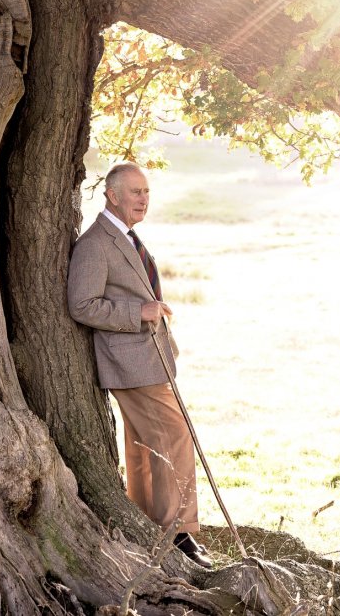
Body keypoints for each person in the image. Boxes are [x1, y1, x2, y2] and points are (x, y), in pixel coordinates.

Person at [67, 162, 212, 568]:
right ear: (112, 195)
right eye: (135, 192)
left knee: (145, 445)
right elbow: (81, 304)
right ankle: (178, 534)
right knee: (174, 436)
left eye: (146, 192)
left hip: (149, 359)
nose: (143, 199)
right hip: (130, 363)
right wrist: (140, 311)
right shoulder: (96, 243)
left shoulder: (127, 238)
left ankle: (150, 522)